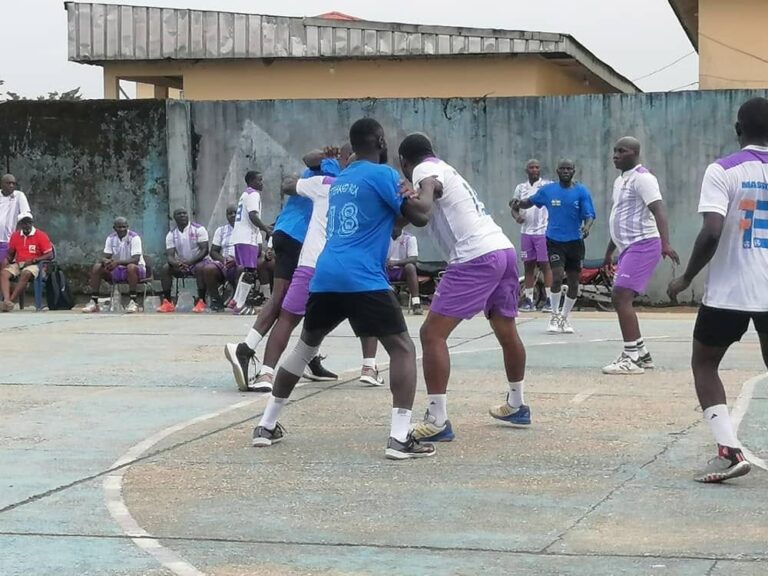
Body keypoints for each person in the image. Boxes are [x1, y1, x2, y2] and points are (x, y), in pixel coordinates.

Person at [248, 118, 435, 460]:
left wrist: (402, 202)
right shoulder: (384, 175)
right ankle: (398, 438)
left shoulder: (341, 180)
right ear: (379, 141)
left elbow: (392, 226)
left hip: (326, 274)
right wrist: (427, 188)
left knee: (304, 349)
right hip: (362, 277)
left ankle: (266, 425)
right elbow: (422, 215)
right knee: (403, 350)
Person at [398, 133, 529, 442]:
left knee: (432, 334)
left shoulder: (422, 170)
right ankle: (517, 403)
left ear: (404, 161)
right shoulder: (444, 167)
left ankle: (437, 419)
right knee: (507, 332)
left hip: (475, 256)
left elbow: (429, 195)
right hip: (502, 249)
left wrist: (420, 197)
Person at [667, 97, 768, 483]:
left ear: (738, 128)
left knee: (705, 363)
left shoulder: (723, 169)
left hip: (731, 290)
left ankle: (728, 450)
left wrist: (687, 276)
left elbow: (712, 230)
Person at [228, 166, 385, 393]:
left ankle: (266, 371)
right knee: (368, 317)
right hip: (341, 262)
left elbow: (288, 184)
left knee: (288, 314)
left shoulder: (320, 184)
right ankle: (368, 367)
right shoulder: (364, 188)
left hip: (304, 255)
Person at [227, 151, 343, 387]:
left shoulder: (315, 176)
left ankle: (310, 358)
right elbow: (309, 159)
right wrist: (328, 155)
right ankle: (246, 348)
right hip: (297, 237)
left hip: (287, 232)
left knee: (307, 303)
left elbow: (307, 162)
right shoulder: (330, 174)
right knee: (285, 302)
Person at [602, 138, 679, 375]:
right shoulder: (620, 180)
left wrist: (665, 244)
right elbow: (620, 217)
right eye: (614, 150)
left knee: (620, 295)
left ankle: (631, 357)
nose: (615, 155)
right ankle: (642, 353)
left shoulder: (644, 178)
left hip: (644, 244)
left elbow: (659, 210)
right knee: (620, 296)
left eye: (621, 151)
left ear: (635, 153)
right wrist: (609, 254)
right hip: (628, 248)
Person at [513, 159, 596, 334]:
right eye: (562, 169)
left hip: (575, 242)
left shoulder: (581, 191)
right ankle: (554, 315)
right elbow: (529, 202)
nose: (566, 171)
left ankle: (565, 318)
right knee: (557, 276)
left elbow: (589, 215)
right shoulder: (548, 191)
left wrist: (586, 227)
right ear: (557, 171)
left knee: (573, 282)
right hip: (554, 240)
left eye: (569, 169)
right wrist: (517, 203)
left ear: (574, 171)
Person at [510, 159, 553, 312]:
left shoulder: (547, 185)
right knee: (528, 266)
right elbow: (514, 207)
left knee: (545, 265)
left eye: (537, 167)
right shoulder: (520, 188)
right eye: (531, 167)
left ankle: (549, 300)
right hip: (526, 232)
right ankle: (528, 300)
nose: (534, 170)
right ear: (526, 170)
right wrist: (517, 217)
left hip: (543, 231)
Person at [82, 217, 147, 314]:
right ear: (114, 228)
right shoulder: (111, 238)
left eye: (124, 227)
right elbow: (105, 256)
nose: (122, 229)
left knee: (131, 267)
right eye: (119, 227)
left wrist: (117, 262)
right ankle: (94, 302)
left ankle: (133, 302)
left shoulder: (134, 237)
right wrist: (106, 261)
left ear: (127, 227)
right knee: (97, 267)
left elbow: (136, 259)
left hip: (137, 270)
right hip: (118, 269)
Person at [230, 171, 272, 315]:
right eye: (259, 180)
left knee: (248, 270)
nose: (262, 183)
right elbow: (253, 215)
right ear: (251, 181)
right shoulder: (254, 194)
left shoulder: (244, 194)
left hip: (240, 237)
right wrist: (266, 229)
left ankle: (236, 300)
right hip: (247, 238)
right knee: (251, 272)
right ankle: (242, 305)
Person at [158, 208, 210, 313]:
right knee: (165, 268)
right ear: (174, 218)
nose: (182, 215)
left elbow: (204, 250)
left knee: (201, 268)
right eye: (179, 214)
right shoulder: (171, 234)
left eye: (184, 213)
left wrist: (190, 262)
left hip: (198, 262)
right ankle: (167, 302)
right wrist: (176, 264)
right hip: (181, 264)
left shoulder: (199, 229)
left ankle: (201, 301)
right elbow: (170, 256)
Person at [0, 212, 53, 311]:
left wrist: (35, 260)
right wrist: (6, 261)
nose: (27, 225)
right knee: (4, 273)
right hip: (19, 263)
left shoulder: (40, 235)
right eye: (24, 223)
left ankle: (10, 301)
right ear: (20, 225)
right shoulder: (15, 236)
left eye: (29, 222)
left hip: (36, 265)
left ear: (32, 223)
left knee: (26, 273)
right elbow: (11, 253)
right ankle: (6, 300)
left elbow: (49, 254)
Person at [207, 204, 238, 311]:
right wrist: (224, 260)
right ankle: (216, 300)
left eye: (236, 213)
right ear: (226, 216)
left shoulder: (249, 229)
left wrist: (236, 260)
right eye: (230, 213)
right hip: (224, 262)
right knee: (209, 269)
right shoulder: (221, 230)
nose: (233, 215)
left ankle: (239, 300)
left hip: (241, 261)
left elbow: (256, 250)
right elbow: (213, 251)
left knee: (241, 268)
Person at [387, 227, 422, 315]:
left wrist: (396, 262)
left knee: (410, 267)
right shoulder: (383, 237)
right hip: (385, 269)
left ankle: (416, 303)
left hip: (401, 270)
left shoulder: (409, 238)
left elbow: (413, 258)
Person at [0, 174, 31, 268]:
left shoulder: (19, 196)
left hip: (7, 240)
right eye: (8, 183)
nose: (11, 186)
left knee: (3, 267)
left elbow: (26, 215)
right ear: (1, 184)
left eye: (13, 183)